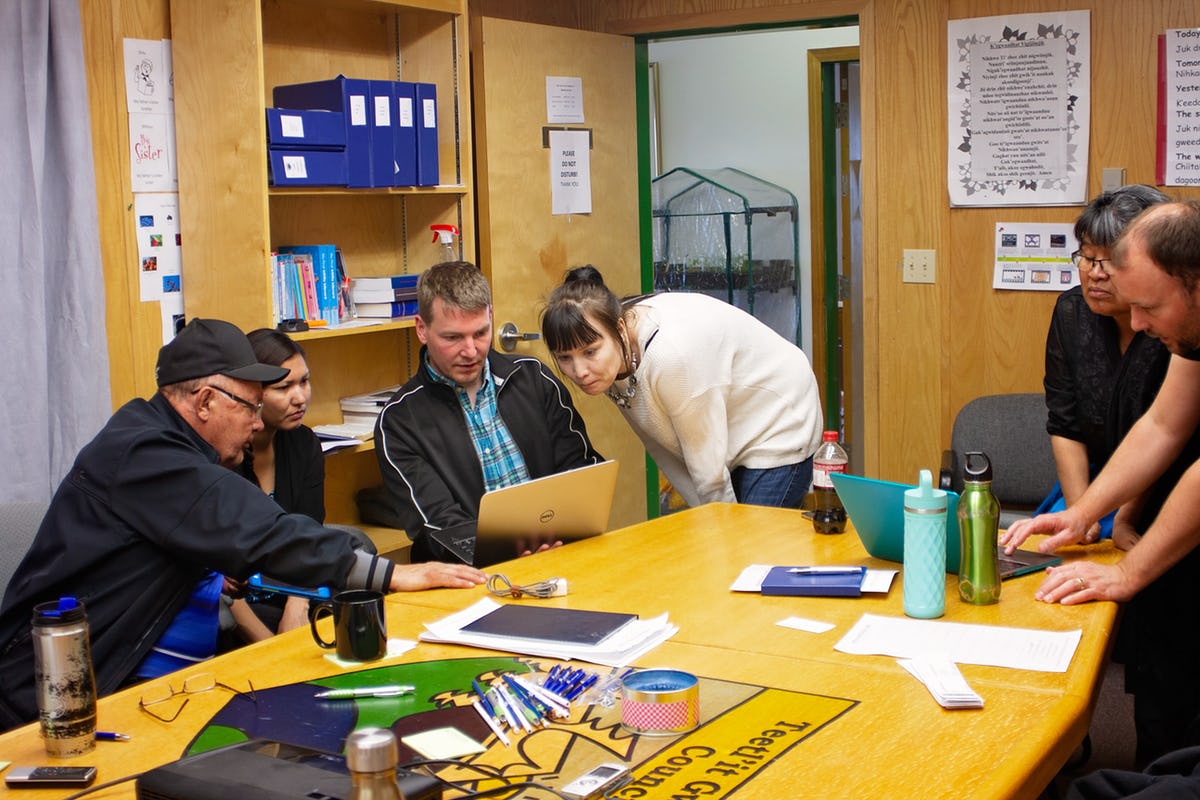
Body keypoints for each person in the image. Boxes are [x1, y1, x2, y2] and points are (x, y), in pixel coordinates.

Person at [0, 318, 485, 731]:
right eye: (250, 407)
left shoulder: (167, 444)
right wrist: (395, 575)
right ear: (206, 401)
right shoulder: (146, 454)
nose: (257, 424)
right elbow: (263, 531)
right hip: (59, 701)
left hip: (155, 686)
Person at [1003, 200, 1200, 766]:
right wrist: (1082, 511)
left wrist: (1128, 573)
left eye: (1148, 307)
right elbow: (1162, 426)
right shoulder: (1187, 330)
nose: (1136, 324)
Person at [374, 261, 603, 566]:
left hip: (559, 552)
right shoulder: (400, 421)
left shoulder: (533, 378)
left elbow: (580, 470)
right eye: (453, 338)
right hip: (468, 576)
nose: (470, 351)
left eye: (480, 333)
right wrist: (513, 554)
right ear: (421, 329)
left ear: (491, 317)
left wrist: (563, 536)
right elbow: (439, 523)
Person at [540, 266, 823, 509]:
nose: (579, 372)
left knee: (754, 549)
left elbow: (710, 476)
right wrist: (702, 518)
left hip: (777, 412)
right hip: (722, 418)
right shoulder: (614, 352)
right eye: (565, 358)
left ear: (620, 328)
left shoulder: (670, 356)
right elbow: (660, 445)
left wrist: (724, 535)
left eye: (590, 352)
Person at [1038, 186, 1170, 544]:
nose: (1095, 273)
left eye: (1111, 260)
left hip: (1163, 486)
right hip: (1090, 481)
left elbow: (1166, 434)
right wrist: (1082, 512)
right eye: (1086, 257)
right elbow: (1064, 423)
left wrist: (1122, 520)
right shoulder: (1071, 312)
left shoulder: (1176, 323)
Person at [227, 329, 337, 642]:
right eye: (283, 386)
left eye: (304, 381)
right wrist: (270, 645)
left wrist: (298, 601)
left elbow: (310, 535)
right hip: (239, 603)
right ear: (251, 393)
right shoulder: (224, 455)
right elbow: (215, 573)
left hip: (293, 588)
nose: (300, 397)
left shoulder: (303, 443)